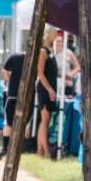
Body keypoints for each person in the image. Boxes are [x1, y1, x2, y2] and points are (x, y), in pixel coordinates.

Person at [35, 30, 59, 158]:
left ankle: (40, 150)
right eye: (54, 33)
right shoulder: (43, 51)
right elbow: (40, 73)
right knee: (45, 119)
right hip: (45, 88)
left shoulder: (50, 51)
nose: (56, 35)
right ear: (48, 34)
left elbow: (50, 71)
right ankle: (46, 150)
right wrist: (50, 90)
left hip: (50, 85)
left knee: (45, 120)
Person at [1, 52, 30, 155]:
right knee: (25, 121)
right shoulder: (37, 57)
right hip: (28, 95)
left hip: (13, 94)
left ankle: (5, 147)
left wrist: (12, 81)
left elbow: (4, 70)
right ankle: (23, 147)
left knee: (9, 122)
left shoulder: (15, 56)